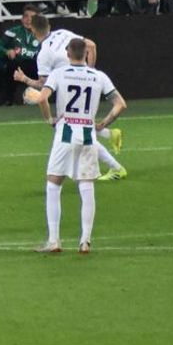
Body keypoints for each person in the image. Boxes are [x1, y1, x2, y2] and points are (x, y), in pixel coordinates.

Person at [34, 37, 127, 254]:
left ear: (67, 53)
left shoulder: (59, 74)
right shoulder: (98, 76)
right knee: (86, 187)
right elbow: (120, 104)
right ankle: (85, 241)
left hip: (65, 133)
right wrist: (103, 124)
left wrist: (49, 120)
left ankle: (54, 240)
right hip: (88, 135)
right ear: (86, 53)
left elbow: (41, 98)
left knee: (53, 185)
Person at [13, 15, 127, 180]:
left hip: (69, 90)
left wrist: (24, 79)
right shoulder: (63, 33)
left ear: (33, 31)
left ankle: (115, 165)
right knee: (83, 127)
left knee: (76, 131)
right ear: (49, 25)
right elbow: (92, 46)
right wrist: (90, 71)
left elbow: (43, 84)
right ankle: (110, 136)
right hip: (84, 86)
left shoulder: (44, 53)